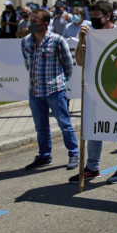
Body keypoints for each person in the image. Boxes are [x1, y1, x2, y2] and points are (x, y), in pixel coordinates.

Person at [70, 0, 117, 184]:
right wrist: (82, 40)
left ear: (108, 16)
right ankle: (92, 167)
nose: (95, 20)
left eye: (98, 16)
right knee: (95, 128)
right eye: (93, 16)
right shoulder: (90, 34)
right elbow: (80, 61)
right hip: (96, 89)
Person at [20, 9, 79, 170]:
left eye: (34, 22)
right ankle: (45, 155)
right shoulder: (26, 41)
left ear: (45, 24)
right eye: (30, 21)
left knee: (64, 124)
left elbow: (67, 65)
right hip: (35, 91)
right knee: (41, 127)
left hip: (55, 90)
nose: (30, 25)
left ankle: (74, 154)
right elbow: (27, 64)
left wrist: (59, 81)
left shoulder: (57, 40)